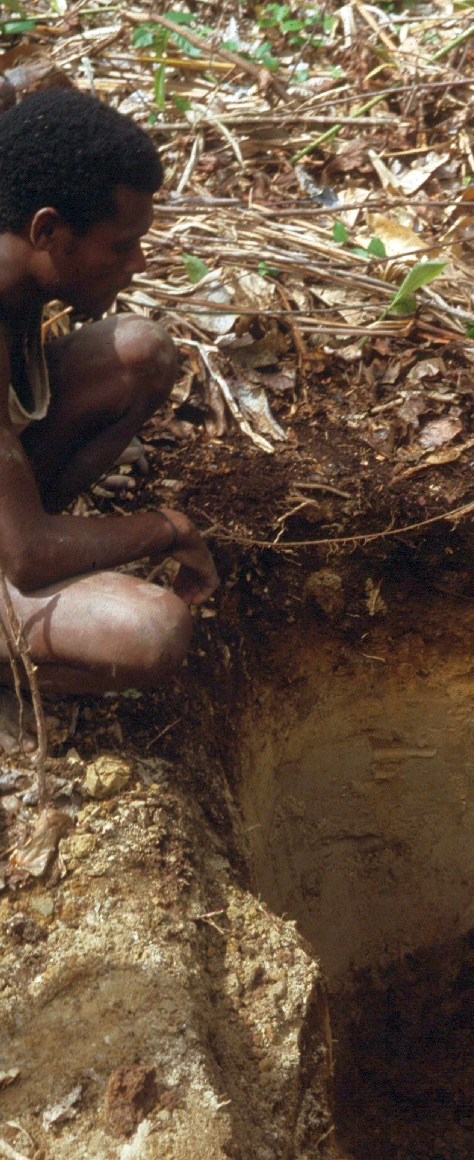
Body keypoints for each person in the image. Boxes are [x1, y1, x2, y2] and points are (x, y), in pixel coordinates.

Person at [0, 87, 218, 705]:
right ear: (49, 231)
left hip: (11, 521)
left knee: (141, 354)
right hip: (18, 546)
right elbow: (28, 557)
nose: (138, 262)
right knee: (151, 632)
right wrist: (167, 528)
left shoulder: (12, 253)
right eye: (121, 245)